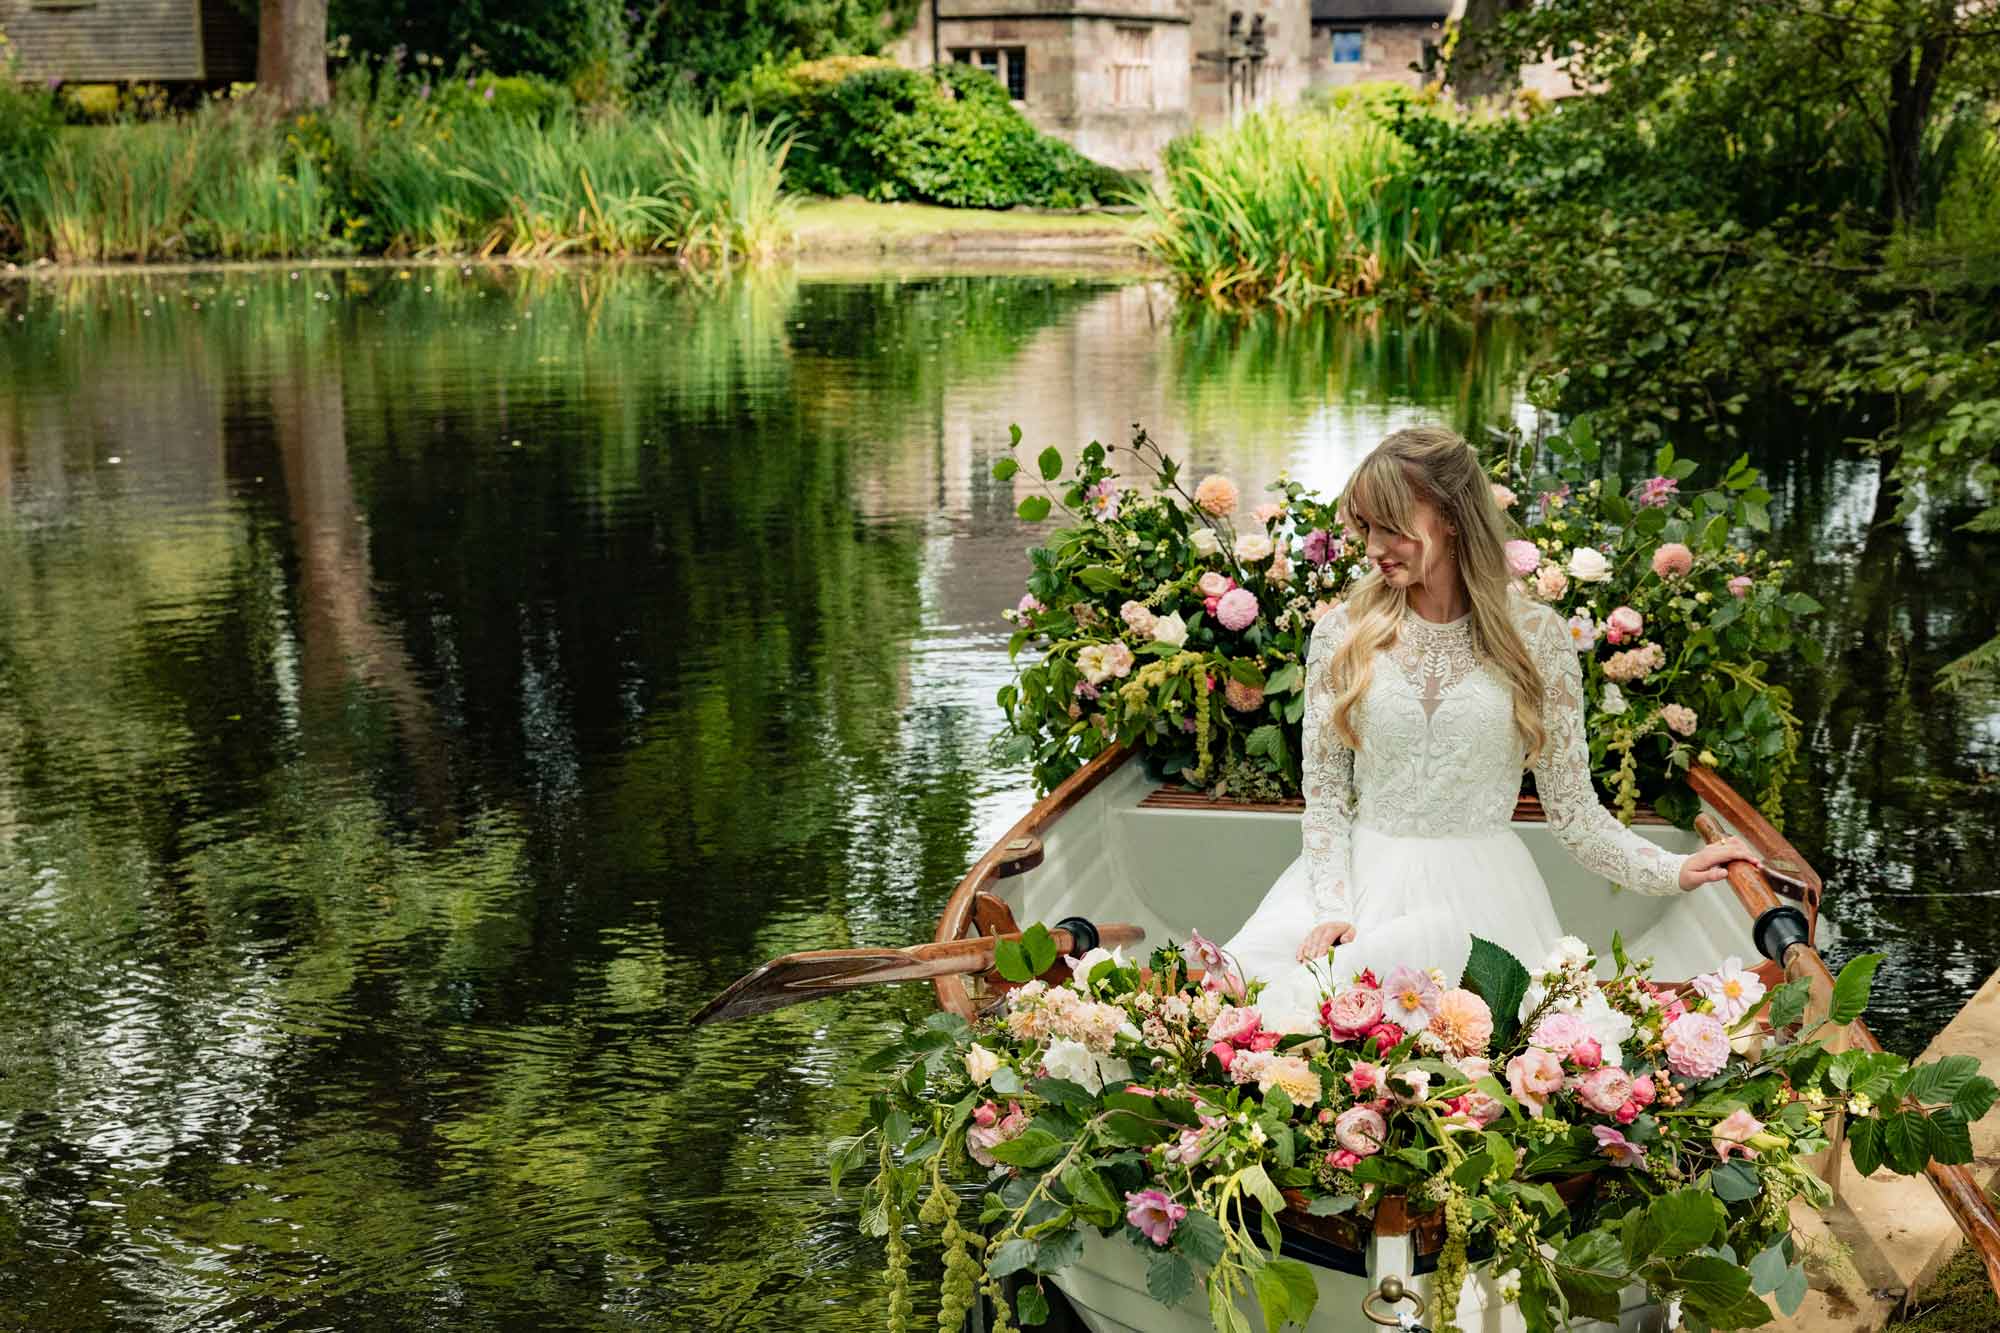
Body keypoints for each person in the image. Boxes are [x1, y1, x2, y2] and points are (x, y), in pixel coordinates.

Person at [1223, 426, 1756, 1017]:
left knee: (1488, 1058)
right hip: (1358, 889)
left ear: (1451, 518)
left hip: (1488, 896)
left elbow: (1574, 813)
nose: (1375, 547)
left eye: (1394, 526)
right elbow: (1324, 800)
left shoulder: (1537, 639)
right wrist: (1332, 911)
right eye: (1367, 526)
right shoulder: (1342, 633)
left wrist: (1675, 870)